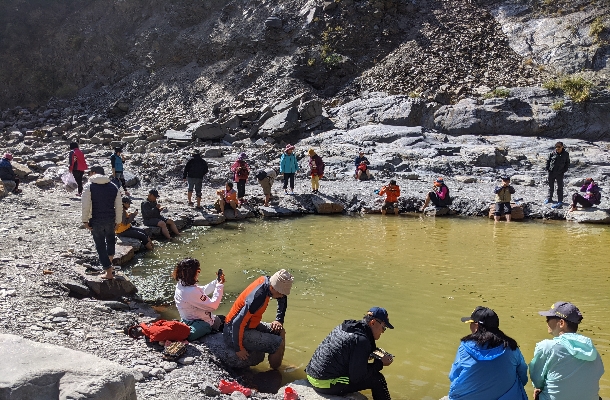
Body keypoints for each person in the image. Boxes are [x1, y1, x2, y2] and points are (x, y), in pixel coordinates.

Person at [306, 307, 394, 400]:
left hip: (312, 372)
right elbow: (357, 377)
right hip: (323, 382)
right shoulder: (361, 340)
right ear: (372, 323)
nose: (383, 332)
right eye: (383, 328)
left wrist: (368, 354)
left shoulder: (348, 327)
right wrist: (380, 363)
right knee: (377, 379)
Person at [446, 306, 528, 400]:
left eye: (471, 323)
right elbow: (523, 376)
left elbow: (453, 375)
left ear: (476, 326)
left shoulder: (464, 347)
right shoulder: (511, 347)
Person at [530, 301, 604, 400]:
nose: (546, 322)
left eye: (548, 319)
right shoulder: (591, 349)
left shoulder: (547, 347)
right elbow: (598, 374)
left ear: (561, 323)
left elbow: (537, 380)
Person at [223, 269, 294, 369]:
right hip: (233, 331)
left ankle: (277, 366)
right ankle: (275, 372)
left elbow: (283, 299)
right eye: (281, 293)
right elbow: (237, 323)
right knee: (277, 343)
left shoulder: (269, 282)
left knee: (280, 331)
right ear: (273, 288)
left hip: (250, 325)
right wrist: (238, 348)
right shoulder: (258, 297)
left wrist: (279, 320)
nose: (282, 296)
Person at [81, 166, 122, 280]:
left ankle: (108, 271)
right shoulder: (113, 186)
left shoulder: (89, 186)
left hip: (96, 220)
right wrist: (118, 221)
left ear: (94, 173)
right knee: (110, 241)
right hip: (110, 220)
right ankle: (109, 265)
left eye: (90, 173)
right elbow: (119, 206)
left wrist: (85, 220)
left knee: (100, 245)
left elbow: (85, 205)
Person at [173, 258, 225, 341]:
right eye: (197, 270)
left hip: (188, 319)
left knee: (222, 318)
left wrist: (216, 282)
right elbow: (213, 306)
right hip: (199, 322)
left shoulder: (181, 284)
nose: (199, 272)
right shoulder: (190, 291)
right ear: (192, 273)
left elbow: (201, 291)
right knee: (226, 324)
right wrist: (219, 286)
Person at [545, 142, 570, 208]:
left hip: (560, 173)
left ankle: (560, 201)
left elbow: (567, 163)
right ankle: (549, 199)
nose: (557, 148)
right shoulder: (552, 153)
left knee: (560, 187)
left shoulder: (566, 154)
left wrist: (564, 170)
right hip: (551, 172)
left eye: (559, 147)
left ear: (562, 147)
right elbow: (548, 161)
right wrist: (548, 169)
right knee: (551, 187)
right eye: (556, 147)